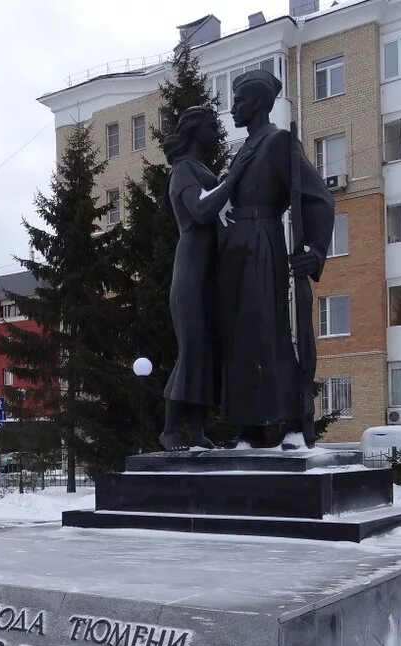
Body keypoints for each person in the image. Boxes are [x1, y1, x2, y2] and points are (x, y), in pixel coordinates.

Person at [215, 69, 334, 447]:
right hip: (237, 247)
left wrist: (315, 251)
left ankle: (291, 422)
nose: (232, 108)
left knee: (270, 333)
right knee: (239, 339)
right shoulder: (243, 150)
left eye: (238, 101)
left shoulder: (279, 142)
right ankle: (247, 426)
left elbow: (318, 197)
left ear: (258, 104)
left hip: (265, 241)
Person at [158, 105, 255, 451]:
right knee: (191, 350)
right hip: (190, 273)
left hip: (210, 273)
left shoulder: (203, 169)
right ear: (194, 129)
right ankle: (170, 430)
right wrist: (233, 177)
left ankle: (197, 430)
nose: (217, 130)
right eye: (212, 125)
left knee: (206, 353)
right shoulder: (183, 170)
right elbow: (200, 210)